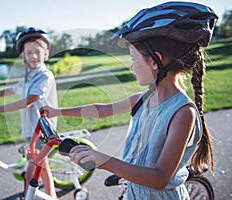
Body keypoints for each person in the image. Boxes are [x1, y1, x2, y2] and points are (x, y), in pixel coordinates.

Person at [41, 2, 217, 199]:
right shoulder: (144, 99)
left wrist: (105, 162)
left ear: (154, 62)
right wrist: (56, 111)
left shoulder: (183, 113)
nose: (132, 68)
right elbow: (100, 110)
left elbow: (159, 178)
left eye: (134, 59)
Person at [0, 27, 58, 199]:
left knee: (30, 173)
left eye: (37, 52)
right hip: (32, 130)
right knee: (42, 165)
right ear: (23, 56)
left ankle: (29, 197)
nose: (33, 56)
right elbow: (11, 90)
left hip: (42, 132)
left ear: (46, 54)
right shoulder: (30, 75)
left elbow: (29, 100)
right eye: (29, 52)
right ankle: (52, 195)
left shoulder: (44, 76)